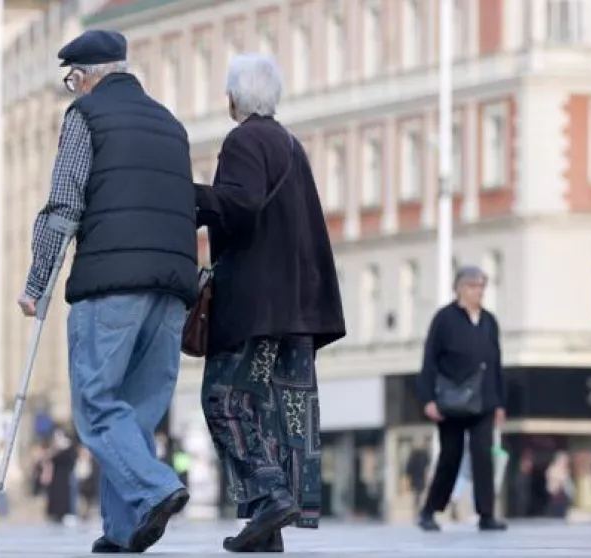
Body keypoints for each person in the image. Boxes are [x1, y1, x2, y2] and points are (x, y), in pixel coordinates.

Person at [18, 29, 197, 553]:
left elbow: (64, 206)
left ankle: (157, 486)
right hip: (171, 289)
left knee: (97, 404)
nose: (73, 90)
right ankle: (122, 532)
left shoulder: (85, 118)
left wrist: (37, 282)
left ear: (84, 76)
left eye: (72, 80)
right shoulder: (171, 123)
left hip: (110, 284)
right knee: (135, 414)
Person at [194, 52, 346, 553]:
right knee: (276, 414)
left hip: (256, 306)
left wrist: (188, 195)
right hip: (298, 308)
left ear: (233, 97)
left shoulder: (244, 140)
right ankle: (268, 530)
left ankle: (268, 492)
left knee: (224, 399)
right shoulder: (290, 143)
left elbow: (241, 203)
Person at [416, 266, 508, 532]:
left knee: (483, 458)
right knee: (450, 457)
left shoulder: (489, 321)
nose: (478, 291)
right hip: (452, 401)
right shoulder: (444, 319)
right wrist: (428, 399)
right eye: (472, 286)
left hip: (484, 400)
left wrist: (500, 402)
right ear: (459, 288)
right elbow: (429, 360)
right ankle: (430, 510)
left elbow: (497, 363)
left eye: (481, 286)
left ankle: (487, 514)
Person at [43, 429, 77, 525]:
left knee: (65, 495)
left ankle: (65, 513)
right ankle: (55, 514)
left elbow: (69, 460)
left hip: (65, 476)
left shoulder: (68, 447)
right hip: (55, 477)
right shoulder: (55, 448)